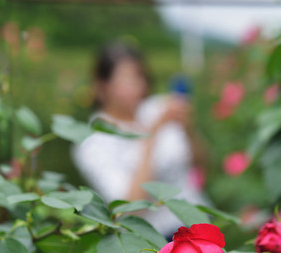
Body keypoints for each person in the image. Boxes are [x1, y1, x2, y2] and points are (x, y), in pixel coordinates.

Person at [72, 42, 206, 236]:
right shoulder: (92, 142)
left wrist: (188, 128)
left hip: (199, 221)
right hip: (158, 239)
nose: (139, 85)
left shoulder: (157, 107)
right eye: (128, 78)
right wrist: (152, 136)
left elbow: (202, 166)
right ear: (102, 86)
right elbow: (130, 208)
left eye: (140, 76)